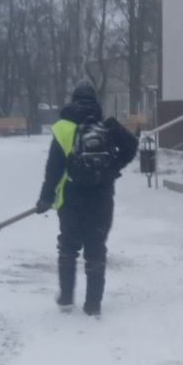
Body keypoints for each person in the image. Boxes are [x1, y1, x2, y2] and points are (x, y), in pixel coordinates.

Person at [35, 79, 138, 317]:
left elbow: (54, 168)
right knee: (96, 250)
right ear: (95, 102)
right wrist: (112, 168)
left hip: (71, 198)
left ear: (73, 101)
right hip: (102, 198)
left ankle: (67, 299)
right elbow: (131, 147)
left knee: (68, 248)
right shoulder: (106, 126)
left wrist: (45, 198)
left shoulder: (63, 128)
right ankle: (93, 305)